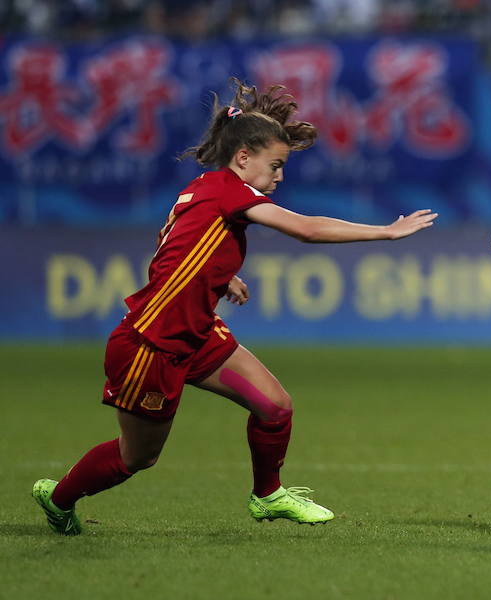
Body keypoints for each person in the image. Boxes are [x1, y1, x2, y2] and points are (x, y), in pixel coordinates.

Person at [33, 80, 438, 535]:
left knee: (275, 407)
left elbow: (164, 249)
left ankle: (267, 496)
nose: (280, 177)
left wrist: (219, 276)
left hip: (198, 334)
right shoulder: (229, 192)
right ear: (244, 157)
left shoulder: (203, 190)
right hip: (151, 345)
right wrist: (385, 232)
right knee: (138, 456)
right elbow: (305, 229)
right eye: (276, 165)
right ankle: (59, 497)